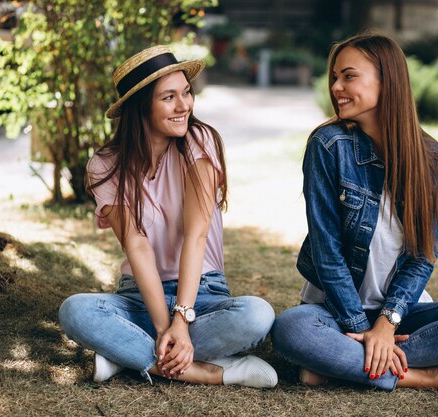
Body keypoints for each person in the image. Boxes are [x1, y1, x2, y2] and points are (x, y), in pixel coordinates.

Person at [271, 32, 438, 394]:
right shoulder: (328, 146)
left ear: (387, 80)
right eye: (335, 77)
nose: (337, 87)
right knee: (290, 329)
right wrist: (358, 325)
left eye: (349, 76)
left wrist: (386, 324)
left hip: (401, 315)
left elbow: (422, 257)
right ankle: (426, 376)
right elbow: (327, 252)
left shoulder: (430, 158)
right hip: (335, 313)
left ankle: (343, 366)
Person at [59, 45, 277, 388]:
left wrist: (182, 320)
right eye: (169, 97)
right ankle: (209, 370)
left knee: (257, 316)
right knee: (75, 310)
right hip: (140, 297)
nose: (184, 106)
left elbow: (196, 234)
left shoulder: (197, 140)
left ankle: (126, 354)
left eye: (187, 93)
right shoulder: (105, 164)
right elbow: (136, 244)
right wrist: (166, 327)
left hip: (203, 293)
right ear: (141, 106)